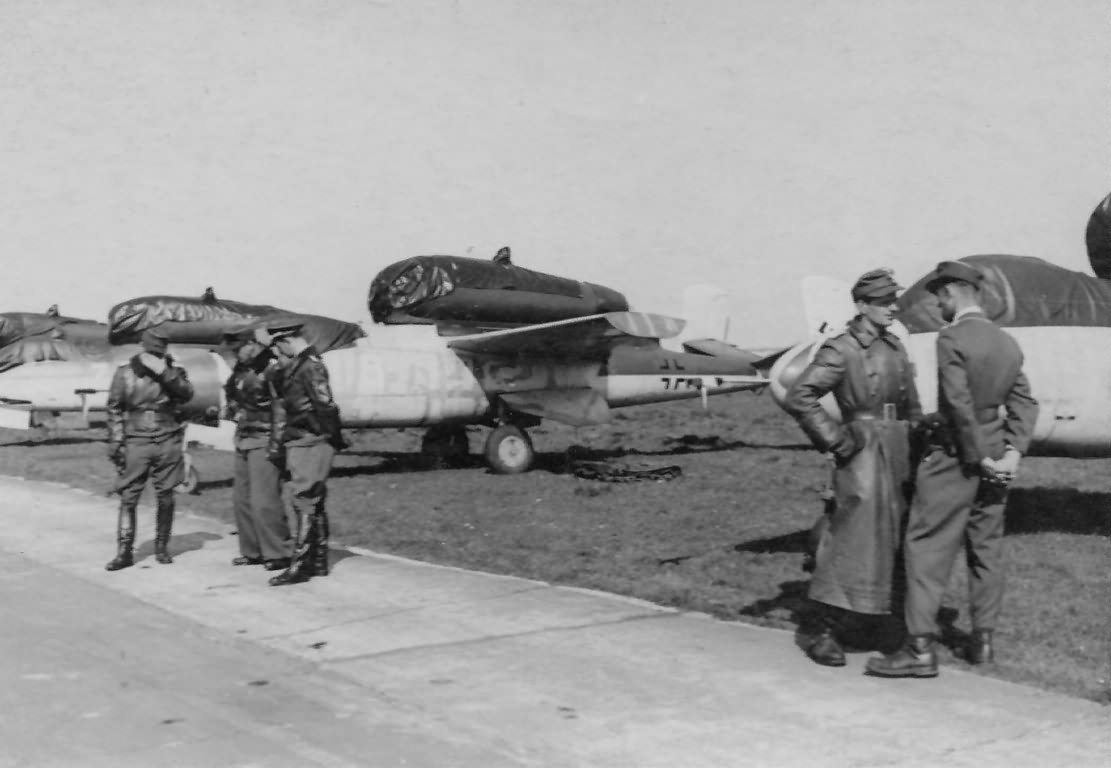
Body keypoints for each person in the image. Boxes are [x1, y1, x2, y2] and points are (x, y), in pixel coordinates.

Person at [866, 261, 1038, 678]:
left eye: (939, 295)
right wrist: (1011, 454)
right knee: (987, 547)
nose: (938, 304)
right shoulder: (1006, 343)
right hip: (997, 454)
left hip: (956, 456)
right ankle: (982, 642)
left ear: (954, 292)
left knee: (926, 544)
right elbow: (1024, 404)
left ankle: (920, 648)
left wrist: (976, 456)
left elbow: (958, 404)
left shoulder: (952, 338)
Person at [783, 268, 921, 666]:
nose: (893, 307)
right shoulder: (840, 348)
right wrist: (836, 440)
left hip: (899, 449)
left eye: (894, 299)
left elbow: (909, 400)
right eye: (884, 301)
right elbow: (801, 395)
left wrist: (919, 435)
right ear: (862, 305)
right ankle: (821, 629)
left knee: (894, 540)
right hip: (862, 451)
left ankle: (880, 621)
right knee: (851, 537)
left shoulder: (894, 346)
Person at [257, 320, 346, 586]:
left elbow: (325, 405)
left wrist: (332, 436)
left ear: (285, 340)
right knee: (312, 501)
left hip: (310, 440)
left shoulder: (311, 365)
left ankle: (300, 566)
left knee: (304, 499)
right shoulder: (300, 364)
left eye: (276, 346)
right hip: (302, 440)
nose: (275, 352)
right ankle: (317, 562)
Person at [105, 327, 195, 570]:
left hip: (167, 437)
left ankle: (161, 547)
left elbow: (187, 394)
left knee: (166, 495)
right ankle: (124, 551)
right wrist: (116, 442)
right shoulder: (124, 374)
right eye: (154, 350)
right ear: (143, 348)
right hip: (136, 439)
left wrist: (164, 373)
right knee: (129, 495)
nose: (157, 354)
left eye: (161, 350)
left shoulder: (174, 373)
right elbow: (114, 408)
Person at [223, 328, 290, 571]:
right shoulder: (241, 370)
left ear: (253, 345)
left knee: (265, 499)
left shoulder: (273, 368)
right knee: (241, 499)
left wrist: (276, 446)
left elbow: (281, 409)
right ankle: (252, 551)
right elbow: (231, 394)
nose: (236, 354)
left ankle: (279, 552)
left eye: (239, 348)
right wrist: (233, 408)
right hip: (243, 436)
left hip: (264, 437)